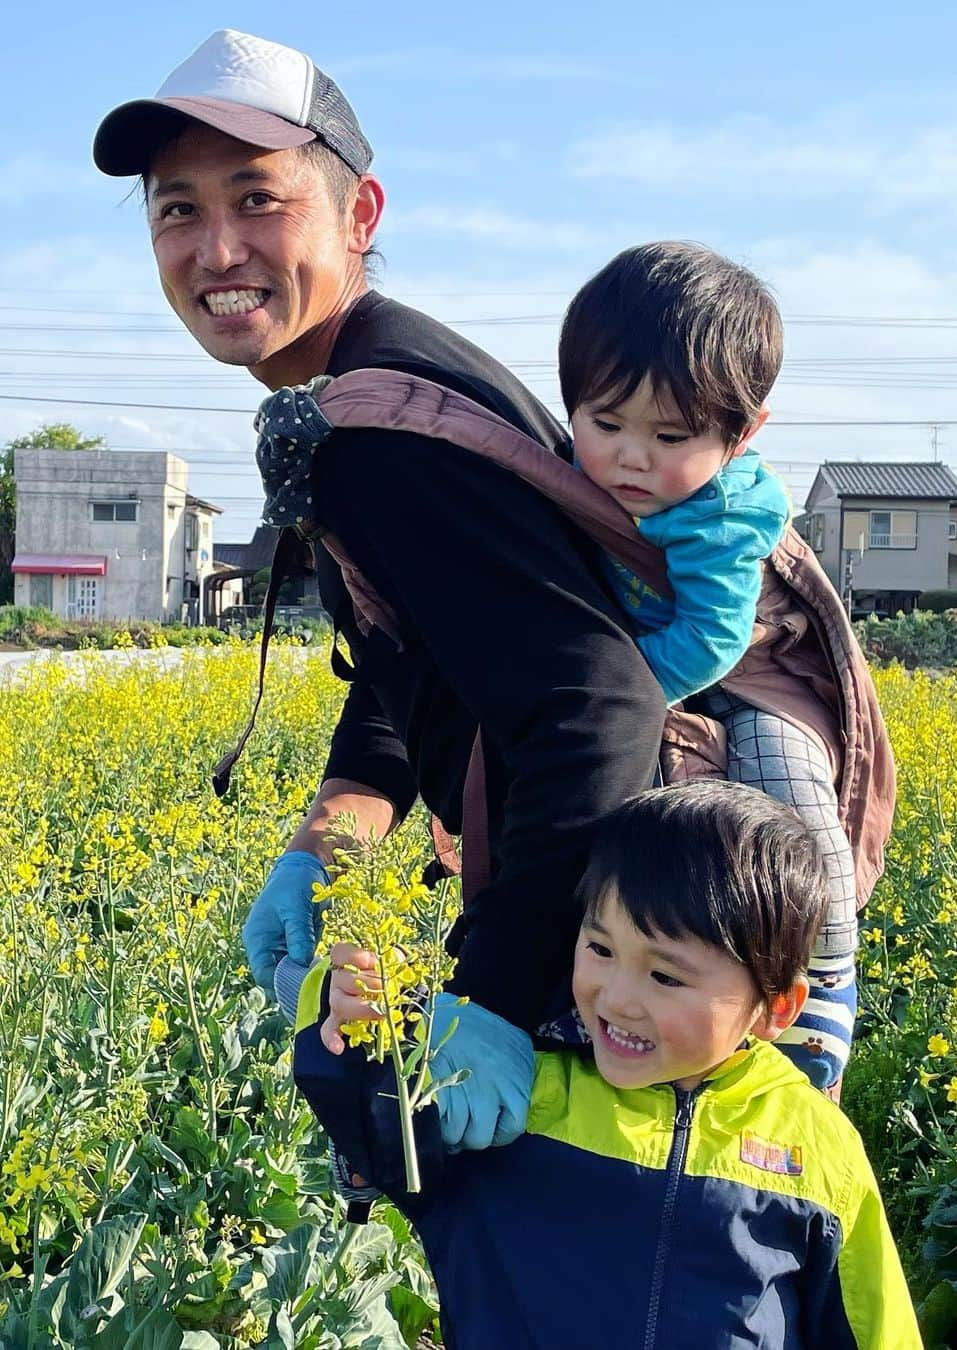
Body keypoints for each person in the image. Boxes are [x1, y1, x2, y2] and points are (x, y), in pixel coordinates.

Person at [92, 27, 668, 1155]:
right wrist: (332, 831)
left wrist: (497, 1001)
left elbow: (599, 710)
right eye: (177, 210)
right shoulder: (363, 392)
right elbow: (426, 651)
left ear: (359, 218)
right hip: (626, 911)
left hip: (658, 947)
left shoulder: (386, 433)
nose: (216, 249)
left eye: (259, 200)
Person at [293, 780, 922, 1349]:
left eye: (666, 977)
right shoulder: (524, 1101)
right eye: (599, 947)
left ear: (776, 1006)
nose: (617, 998)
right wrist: (360, 1010)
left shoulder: (816, 1148)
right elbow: (373, 1129)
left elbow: (872, 1329)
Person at [559, 242, 857, 1090]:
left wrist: (617, 701)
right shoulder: (577, 477)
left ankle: (824, 987)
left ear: (742, 435)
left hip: (747, 676)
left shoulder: (723, 516)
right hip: (665, 664)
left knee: (790, 805)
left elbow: (714, 641)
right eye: (605, 423)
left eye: (670, 436)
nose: (630, 458)